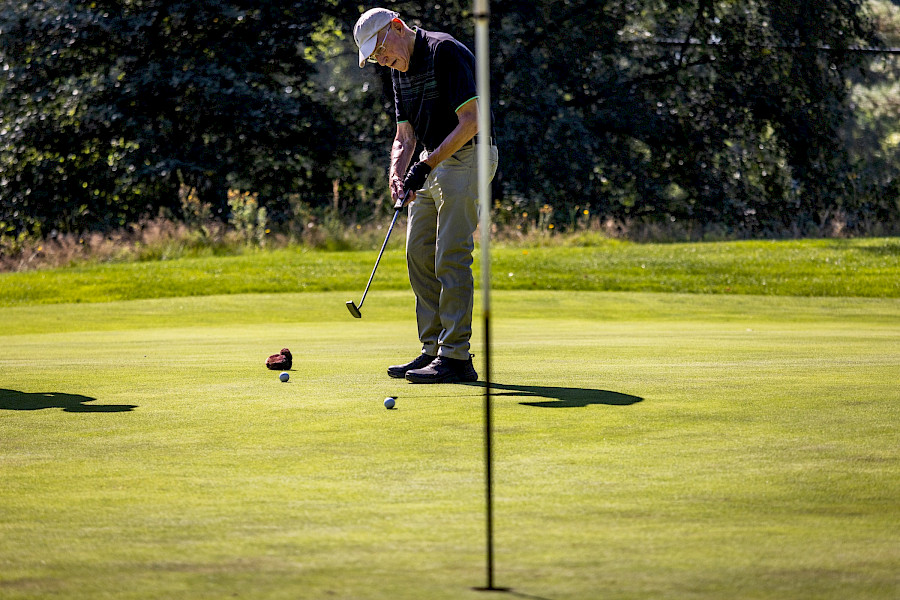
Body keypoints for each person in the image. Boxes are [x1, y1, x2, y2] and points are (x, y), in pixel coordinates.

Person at [353, 8, 499, 384]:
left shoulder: (443, 51)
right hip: (431, 161)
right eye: (374, 57)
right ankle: (432, 349)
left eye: (381, 50)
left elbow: (472, 121)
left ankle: (456, 357)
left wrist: (425, 165)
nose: (381, 59)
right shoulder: (398, 71)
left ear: (397, 27)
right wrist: (397, 173)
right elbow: (404, 136)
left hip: (467, 155)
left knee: (450, 255)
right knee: (418, 253)